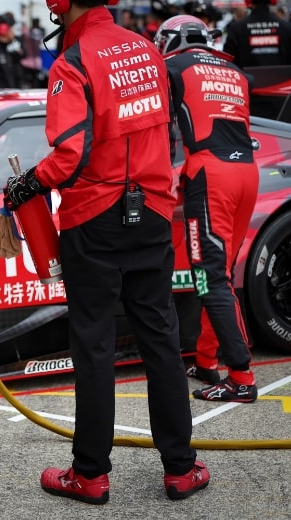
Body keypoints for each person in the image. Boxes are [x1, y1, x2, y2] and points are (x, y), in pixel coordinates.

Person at [3, 0, 209, 504]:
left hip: (94, 219)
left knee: (94, 345)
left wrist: (29, 183)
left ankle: (90, 474)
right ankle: (181, 468)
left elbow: (69, 156)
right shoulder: (147, 50)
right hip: (153, 212)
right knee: (160, 338)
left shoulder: (72, 62)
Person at [155, 15, 260, 402]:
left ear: (172, 40)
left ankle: (242, 377)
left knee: (209, 279)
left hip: (210, 174)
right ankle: (206, 360)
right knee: (222, 275)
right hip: (247, 172)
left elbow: (159, 129)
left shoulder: (172, 67)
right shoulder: (235, 71)